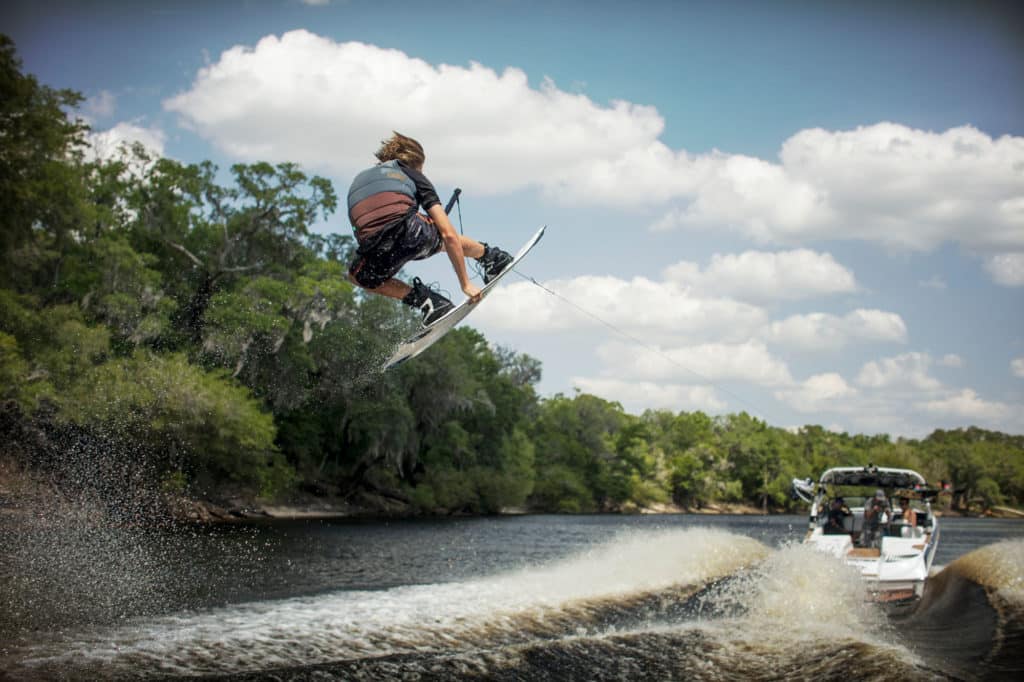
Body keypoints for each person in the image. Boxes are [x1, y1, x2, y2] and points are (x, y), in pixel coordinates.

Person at [346, 132, 513, 325]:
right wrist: (465, 284)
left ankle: (428, 302)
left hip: (375, 245)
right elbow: (448, 234)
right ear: (415, 163)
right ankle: (492, 258)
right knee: (437, 237)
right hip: (410, 232)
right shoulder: (411, 174)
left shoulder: (361, 177)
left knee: (359, 276)